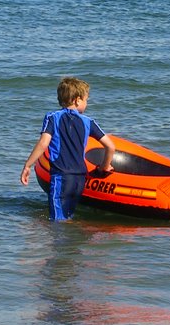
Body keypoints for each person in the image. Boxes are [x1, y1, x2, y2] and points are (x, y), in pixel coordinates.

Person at [20, 76, 116, 221]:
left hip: (61, 176)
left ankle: (61, 243)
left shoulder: (52, 117)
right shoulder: (89, 122)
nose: (87, 103)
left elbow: (43, 144)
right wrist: (104, 167)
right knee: (68, 216)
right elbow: (110, 146)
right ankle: (71, 243)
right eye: (86, 100)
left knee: (57, 221)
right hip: (80, 179)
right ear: (77, 100)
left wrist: (27, 165)